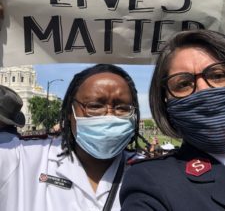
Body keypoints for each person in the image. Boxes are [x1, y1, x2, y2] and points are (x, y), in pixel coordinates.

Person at [0, 63, 148, 211]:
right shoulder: (23, 158)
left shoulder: (148, 172)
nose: (109, 116)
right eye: (94, 106)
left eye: (122, 108)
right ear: (70, 113)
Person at [120, 29, 225, 211]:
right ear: (165, 101)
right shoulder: (151, 181)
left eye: (217, 75)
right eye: (183, 84)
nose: (203, 89)